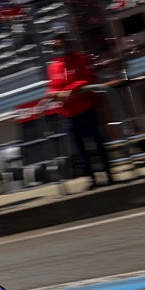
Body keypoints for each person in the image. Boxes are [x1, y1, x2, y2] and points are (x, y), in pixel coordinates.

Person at [44, 34, 114, 189]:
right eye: (55, 47)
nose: (58, 49)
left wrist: (70, 89)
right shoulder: (53, 67)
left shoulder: (81, 58)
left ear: (67, 44)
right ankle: (92, 179)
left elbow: (88, 78)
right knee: (80, 149)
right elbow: (51, 88)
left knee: (98, 143)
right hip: (68, 113)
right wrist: (56, 94)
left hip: (86, 108)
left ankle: (109, 175)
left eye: (60, 45)